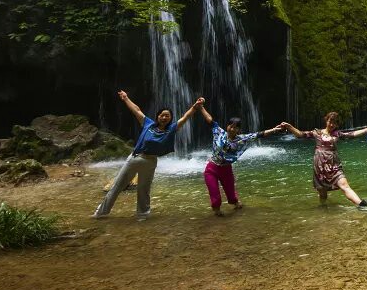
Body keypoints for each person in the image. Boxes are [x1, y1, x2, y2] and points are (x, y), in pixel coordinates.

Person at [93, 91, 202, 219]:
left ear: (170, 119)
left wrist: (195, 106)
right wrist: (126, 98)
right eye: (162, 115)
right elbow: (137, 110)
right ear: (158, 117)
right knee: (117, 186)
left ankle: (143, 213)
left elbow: (185, 118)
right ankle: (101, 213)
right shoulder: (148, 124)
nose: (164, 117)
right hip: (135, 158)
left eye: (168, 116)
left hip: (150, 161)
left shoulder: (171, 129)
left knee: (144, 190)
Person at [197, 103, 283, 216]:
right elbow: (210, 120)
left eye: (235, 127)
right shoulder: (219, 132)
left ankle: (236, 203)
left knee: (231, 195)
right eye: (230, 126)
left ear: (238, 129)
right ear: (227, 126)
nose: (232, 128)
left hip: (226, 169)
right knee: (214, 193)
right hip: (211, 168)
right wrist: (201, 107)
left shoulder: (242, 139)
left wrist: (275, 129)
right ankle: (217, 211)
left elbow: (259, 134)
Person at [280, 113, 367, 210]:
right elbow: (300, 134)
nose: (331, 125)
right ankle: (323, 208)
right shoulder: (317, 132)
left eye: (334, 123)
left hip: (334, 165)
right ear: (326, 121)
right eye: (330, 122)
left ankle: (361, 204)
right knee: (323, 194)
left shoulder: (337, 134)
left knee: (344, 185)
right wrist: (289, 126)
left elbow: (352, 134)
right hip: (320, 167)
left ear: (337, 125)